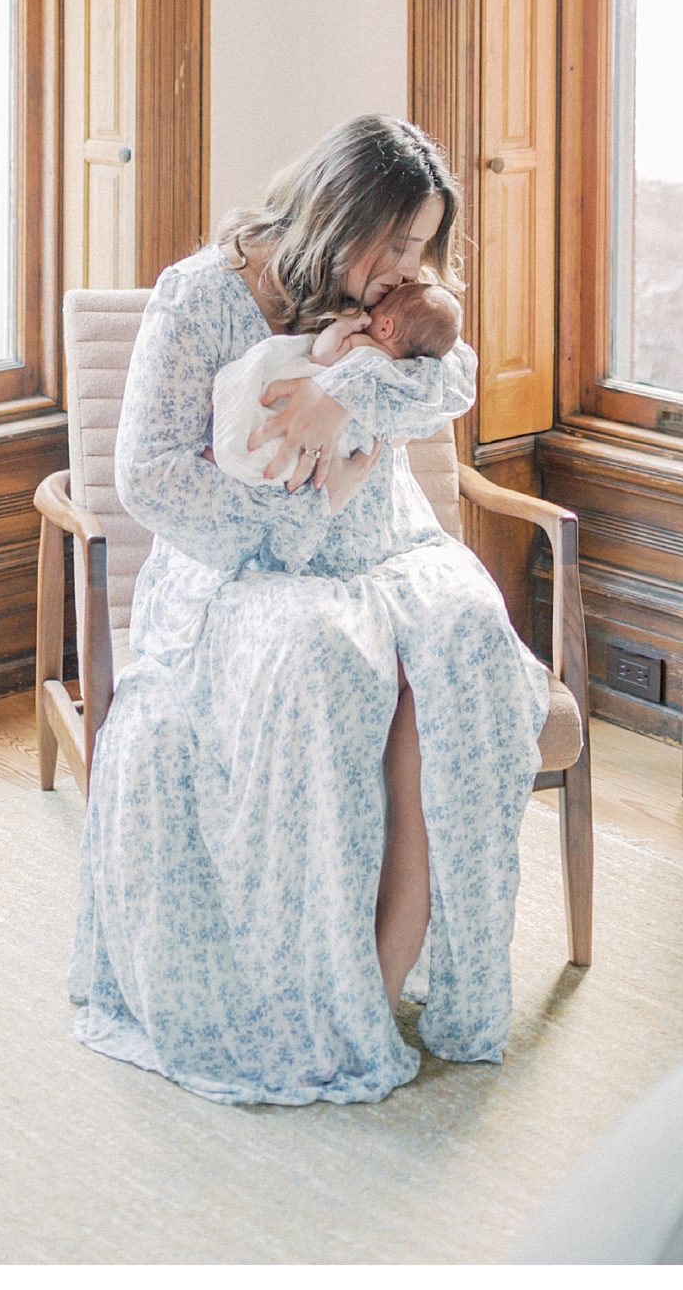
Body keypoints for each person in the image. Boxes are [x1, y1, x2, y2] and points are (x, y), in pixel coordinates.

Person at [69, 112, 554, 1107]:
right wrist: (288, 524)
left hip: (387, 548)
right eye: (396, 244)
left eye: (422, 247)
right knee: (323, 658)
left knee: (464, 640)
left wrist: (351, 400)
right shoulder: (199, 295)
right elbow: (150, 478)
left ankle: (374, 983)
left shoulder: (395, 300)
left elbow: (449, 372)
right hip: (240, 572)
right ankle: (319, 995)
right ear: (340, 218)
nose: (406, 269)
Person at [211, 279, 464, 486]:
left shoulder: (363, 347)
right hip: (347, 448)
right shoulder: (402, 378)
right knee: (288, 458)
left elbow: (322, 355)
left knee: (265, 423)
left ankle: (232, 452)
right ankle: (244, 463)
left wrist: (344, 326)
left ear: (385, 327)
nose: (367, 314)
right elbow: (398, 437)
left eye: (374, 312)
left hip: (318, 418)